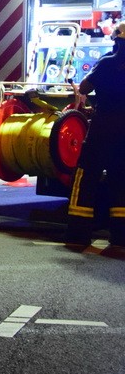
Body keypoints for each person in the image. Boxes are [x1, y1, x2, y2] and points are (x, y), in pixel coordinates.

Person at [66, 22, 125, 245]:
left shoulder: (107, 63)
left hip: (102, 130)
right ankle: (120, 235)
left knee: (86, 176)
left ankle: (78, 234)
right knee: (121, 180)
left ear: (116, 41)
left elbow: (84, 88)